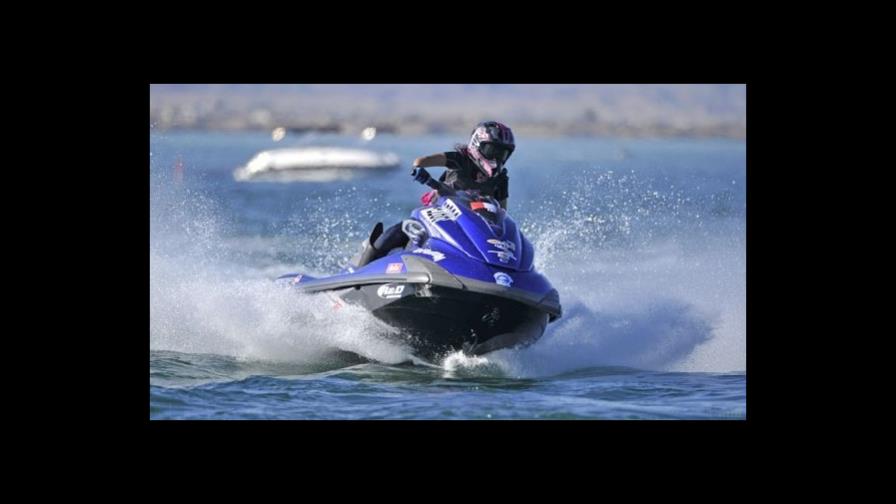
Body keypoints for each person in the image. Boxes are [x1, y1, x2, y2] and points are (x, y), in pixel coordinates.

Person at [354, 121, 516, 268]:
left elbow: (502, 214)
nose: (496, 158)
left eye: (502, 153)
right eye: (492, 150)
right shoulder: (461, 159)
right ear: (477, 144)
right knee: (403, 229)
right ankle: (363, 268)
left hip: (473, 224)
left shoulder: (501, 178)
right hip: (441, 214)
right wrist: (420, 170)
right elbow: (420, 161)